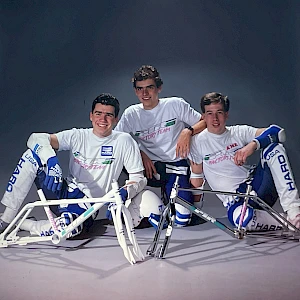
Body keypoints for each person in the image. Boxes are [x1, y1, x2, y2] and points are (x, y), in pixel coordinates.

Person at [0, 93, 164, 237]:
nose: (102, 119)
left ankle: (24, 224)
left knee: (67, 230)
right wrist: (51, 161)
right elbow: (35, 138)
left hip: (88, 204)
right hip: (63, 190)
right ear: (91, 115)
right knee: (31, 156)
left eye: (108, 115)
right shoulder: (78, 136)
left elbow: (138, 178)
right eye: (98, 113)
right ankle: (6, 219)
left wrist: (125, 192)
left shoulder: (124, 141)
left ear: (116, 119)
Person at [188, 92, 300, 231]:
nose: (215, 118)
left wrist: (252, 145)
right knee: (244, 222)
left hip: (258, 187)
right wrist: (194, 211)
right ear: (203, 117)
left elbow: (278, 132)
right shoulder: (197, 142)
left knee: (275, 149)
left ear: (227, 114)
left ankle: (294, 212)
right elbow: (197, 177)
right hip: (236, 201)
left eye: (219, 112)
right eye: (209, 113)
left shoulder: (239, 132)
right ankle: (289, 222)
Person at [114, 65, 206, 227]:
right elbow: (116, 141)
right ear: (135, 91)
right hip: (151, 169)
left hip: (176, 165)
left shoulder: (175, 104)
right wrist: (140, 152)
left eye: (149, 88)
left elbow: (205, 122)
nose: (145, 93)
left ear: (159, 88)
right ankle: (145, 204)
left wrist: (188, 131)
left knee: (183, 220)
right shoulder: (131, 114)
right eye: (140, 89)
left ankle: (172, 196)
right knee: (123, 160)